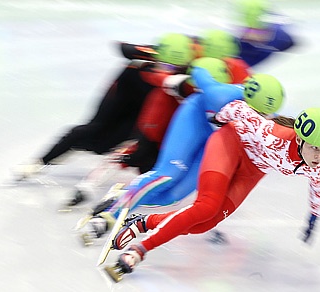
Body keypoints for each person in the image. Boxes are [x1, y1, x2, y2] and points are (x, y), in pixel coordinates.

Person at [106, 98, 320, 280]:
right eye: (315, 148)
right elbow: (239, 109)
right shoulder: (272, 135)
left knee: (205, 224)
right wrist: (220, 118)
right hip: (230, 144)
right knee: (206, 206)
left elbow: (317, 188)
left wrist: (313, 217)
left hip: (252, 169)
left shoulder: (319, 167)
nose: (319, 156)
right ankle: (140, 250)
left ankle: (142, 223)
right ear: (299, 139)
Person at [80, 67, 284, 246]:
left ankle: (123, 195)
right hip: (194, 118)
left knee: (172, 197)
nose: (259, 119)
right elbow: (201, 74)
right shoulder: (221, 95)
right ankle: (108, 217)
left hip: (216, 139)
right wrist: (188, 73)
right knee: (168, 174)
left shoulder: (268, 117)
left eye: (265, 114)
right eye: (255, 111)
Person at [13, 32, 196, 182]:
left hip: (144, 105)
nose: (168, 70)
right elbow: (123, 47)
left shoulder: (190, 66)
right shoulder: (145, 60)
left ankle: (149, 186)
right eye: (165, 65)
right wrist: (165, 74)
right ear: (158, 56)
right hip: (122, 96)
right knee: (92, 133)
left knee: (139, 144)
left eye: (175, 68)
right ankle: (39, 162)